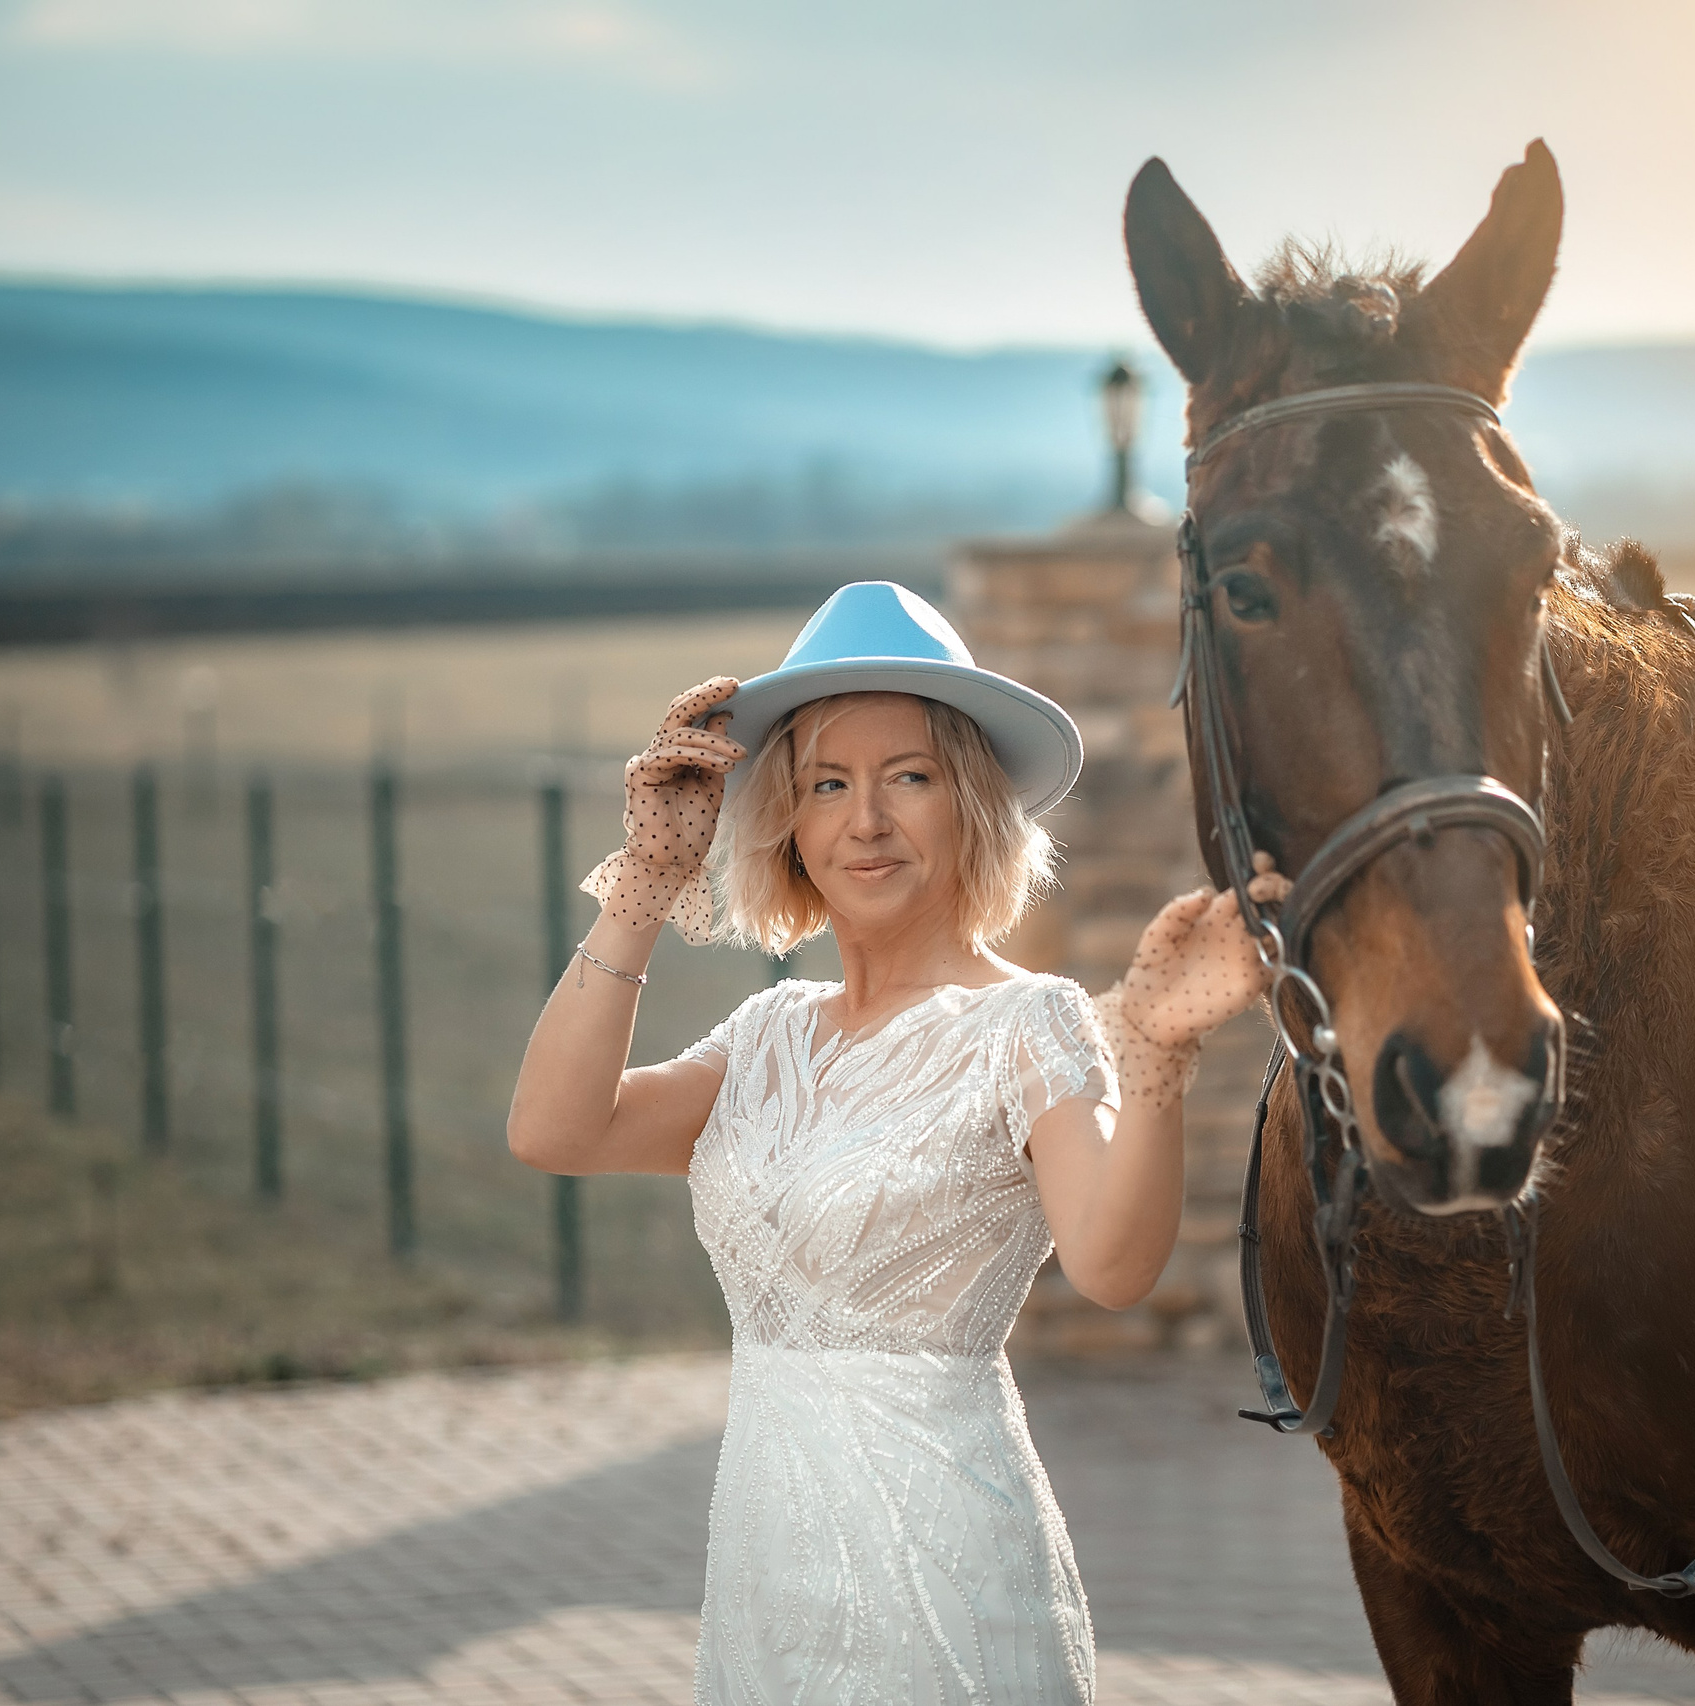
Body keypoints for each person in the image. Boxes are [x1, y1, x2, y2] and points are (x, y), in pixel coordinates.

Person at [505, 581, 1284, 1705]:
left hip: (944, 1568)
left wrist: (1157, 1053)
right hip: (765, 1568)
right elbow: (554, 1128)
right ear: (792, 827)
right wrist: (645, 882)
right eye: (827, 784)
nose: (864, 820)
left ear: (971, 804)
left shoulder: (1031, 1023)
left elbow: (1114, 1268)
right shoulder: (765, 1035)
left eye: (907, 777)